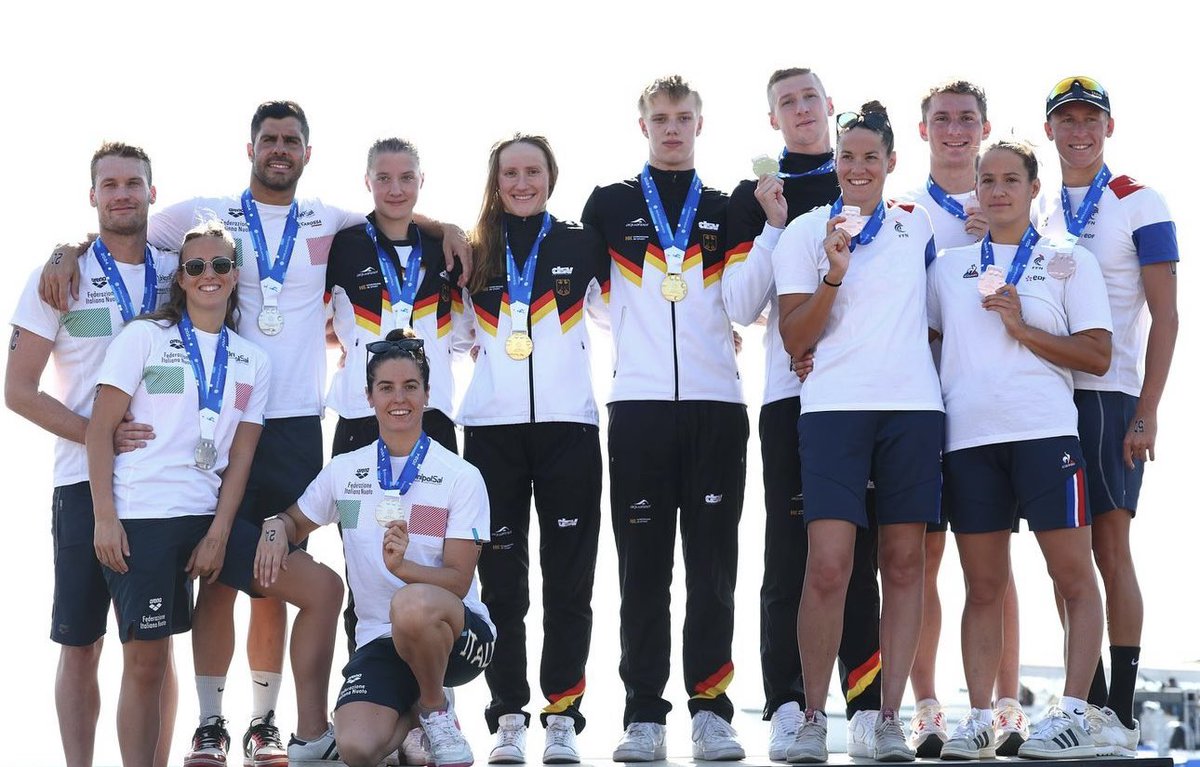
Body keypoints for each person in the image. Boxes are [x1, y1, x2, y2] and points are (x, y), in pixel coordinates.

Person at [37, 101, 471, 767]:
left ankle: (268, 724)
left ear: (306, 152)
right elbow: (127, 224)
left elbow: (394, 214)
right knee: (214, 576)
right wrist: (66, 248)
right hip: (219, 428)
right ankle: (212, 722)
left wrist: (447, 229)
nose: (279, 149)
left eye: (291, 140)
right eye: (268, 139)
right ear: (250, 148)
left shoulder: (327, 219)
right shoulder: (208, 213)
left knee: (273, 571)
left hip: (291, 418)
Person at [85, 221, 343, 767]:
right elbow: (98, 429)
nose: (209, 275)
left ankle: (310, 736)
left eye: (220, 266)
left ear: (234, 276)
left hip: (207, 522)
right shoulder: (143, 338)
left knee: (321, 587)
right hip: (143, 520)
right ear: (179, 278)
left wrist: (221, 534)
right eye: (196, 266)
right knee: (148, 665)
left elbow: (242, 459)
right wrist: (105, 519)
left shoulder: (254, 361)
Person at [582, 75, 748, 762]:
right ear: (642, 126)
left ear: (701, 125)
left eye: (683, 117)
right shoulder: (609, 204)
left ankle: (711, 710)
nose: (672, 128)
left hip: (717, 405)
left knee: (713, 566)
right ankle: (644, 715)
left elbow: (748, 298)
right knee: (642, 569)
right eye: (660, 119)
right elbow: (585, 297)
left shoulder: (729, 205)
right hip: (639, 407)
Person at [928, 140, 1112, 760]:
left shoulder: (1069, 260)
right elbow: (923, 342)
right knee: (982, 587)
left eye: (1012, 179)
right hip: (970, 441)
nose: (998, 189)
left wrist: (1021, 330)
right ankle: (979, 717)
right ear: (975, 190)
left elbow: (1097, 354)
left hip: (1046, 437)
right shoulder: (947, 266)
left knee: (1072, 579)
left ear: (1035, 188)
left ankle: (1076, 717)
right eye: (988, 180)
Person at [722, 67, 883, 761]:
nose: (800, 109)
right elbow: (738, 304)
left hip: (860, 398)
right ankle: (789, 706)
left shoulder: (863, 180)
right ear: (772, 119)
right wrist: (773, 226)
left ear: (830, 106)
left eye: (809, 97)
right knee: (791, 556)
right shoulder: (754, 194)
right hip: (791, 397)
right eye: (785, 102)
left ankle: (870, 706)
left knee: (862, 556)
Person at [774, 102, 942, 763]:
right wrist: (834, 274)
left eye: (871, 156)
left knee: (904, 564)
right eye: (848, 156)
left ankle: (889, 718)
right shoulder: (805, 233)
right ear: (836, 162)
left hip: (911, 409)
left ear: (891, 163)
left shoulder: (916, 224)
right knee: (828, 566)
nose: (858, 167)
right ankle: (815, 716)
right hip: (832, 410)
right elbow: (794, 336)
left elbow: (934, 317)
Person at [5, 142, 178, 767]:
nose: (123, 193)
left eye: (135, 182)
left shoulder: (179, 269)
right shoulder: (59, 276)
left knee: (152, 645)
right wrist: (96, 435)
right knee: (82, 643)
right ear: (94, 197)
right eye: (111, 185)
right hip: (81, 483)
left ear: (153, 193)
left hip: (164, 486)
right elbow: (17, 390)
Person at [253, 328, 495, 767]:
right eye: (386, 388)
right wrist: (275, 527)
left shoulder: (459, 475)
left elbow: (459, 581)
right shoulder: (346, 471)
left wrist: (405, 570)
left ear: (426, 394)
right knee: (358, 748)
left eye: (410, 387)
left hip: (457, 636)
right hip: (380, 639)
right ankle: (419, 712)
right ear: (368, 397)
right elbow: (294, 519)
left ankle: (438, 710)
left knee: (412, 605)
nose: (398, 398)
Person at [1037, 75, 1180, 756]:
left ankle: (1119, 711)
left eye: (1090, 119)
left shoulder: (1139, 201)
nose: (1079, 131)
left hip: (1111, 397)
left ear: (1108, 129)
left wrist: (1147, 412)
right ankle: (1083, 703)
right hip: (1042, 400)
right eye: (1066, 120)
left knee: (1110, 549)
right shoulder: (1033, 205)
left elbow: (1168, 315)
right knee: (1062, 557)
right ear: (1051, 132)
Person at [459, 134, 607, 765]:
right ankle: (508, 718)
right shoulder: (469, 256)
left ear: (551, 176)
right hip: (492, 435)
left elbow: (628, 314)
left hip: (570, 431)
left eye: (533, 171)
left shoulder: (581, 244)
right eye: (510, 173)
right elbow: (450, 334)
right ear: (495, 182)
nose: (522, 182)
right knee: (501, 585)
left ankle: (563, 716)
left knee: (570, 584)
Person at [903, 80, 1029, 757]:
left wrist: (1000, 240)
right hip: (922, 406)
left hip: (991, 409)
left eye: (967, 119)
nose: (955, 130)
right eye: (942, 119)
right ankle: (927, 707)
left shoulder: (1008, 202)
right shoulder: (903, 211)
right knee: (922, 556)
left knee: (993, 562)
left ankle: (1006, 704)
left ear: (985, 128)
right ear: (922, 131)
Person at [326, 138, 464, 456]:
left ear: (421, 180)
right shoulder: (343, 246)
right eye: (383, 178)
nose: (396, 190)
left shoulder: (446, 250)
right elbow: (313, 320)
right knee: (353, 509)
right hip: (360, 414)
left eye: (406, 178)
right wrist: (353, 347)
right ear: (367, 181)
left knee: (431, 510)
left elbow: (464, 333)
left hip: (433, 413)